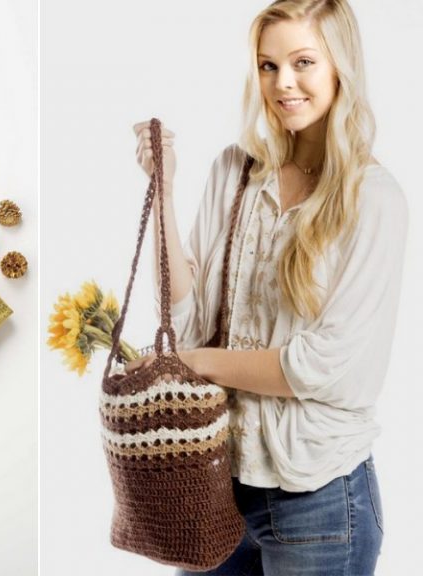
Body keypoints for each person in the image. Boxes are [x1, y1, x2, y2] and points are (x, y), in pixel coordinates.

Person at [128, 1, 407, 574]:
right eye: (267, 65)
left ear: (340, 68)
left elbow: (321, 367)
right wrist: (165, 190)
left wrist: (193, 364)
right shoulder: (235, 171)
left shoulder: (373, 199)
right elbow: (189, 318)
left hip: (320, 501)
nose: (284, 83)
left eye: (303, 62)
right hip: (213, 486)